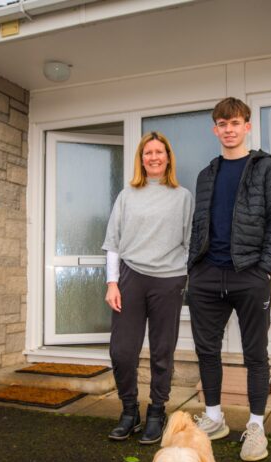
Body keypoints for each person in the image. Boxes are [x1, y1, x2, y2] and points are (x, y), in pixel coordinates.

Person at [187, 97, 271, 462]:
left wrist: (265, 267)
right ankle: (214, 417)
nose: (229, 130)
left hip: (250, 273)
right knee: (206, 349)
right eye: (222, 124)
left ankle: (257, 427)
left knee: (255, 353)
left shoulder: (267, 169)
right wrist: (194, 270)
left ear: (247, 126)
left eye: (235, 123)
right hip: (207, 274)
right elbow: (200, 225)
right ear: (215, 129)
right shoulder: (206, 174)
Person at [102, 131, 194, 445]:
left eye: (159, 152)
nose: (153, 157)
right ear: (141, 159)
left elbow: (189, 243)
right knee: (122, 351)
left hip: (168, 281)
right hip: (130, 278)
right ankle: (129, 410)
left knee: (162, 351)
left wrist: (181, 277)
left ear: (168, 157)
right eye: (147, 153)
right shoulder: (127, 195)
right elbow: (113, 242)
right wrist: (112, 282)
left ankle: (157, 411)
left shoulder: (182, 196)